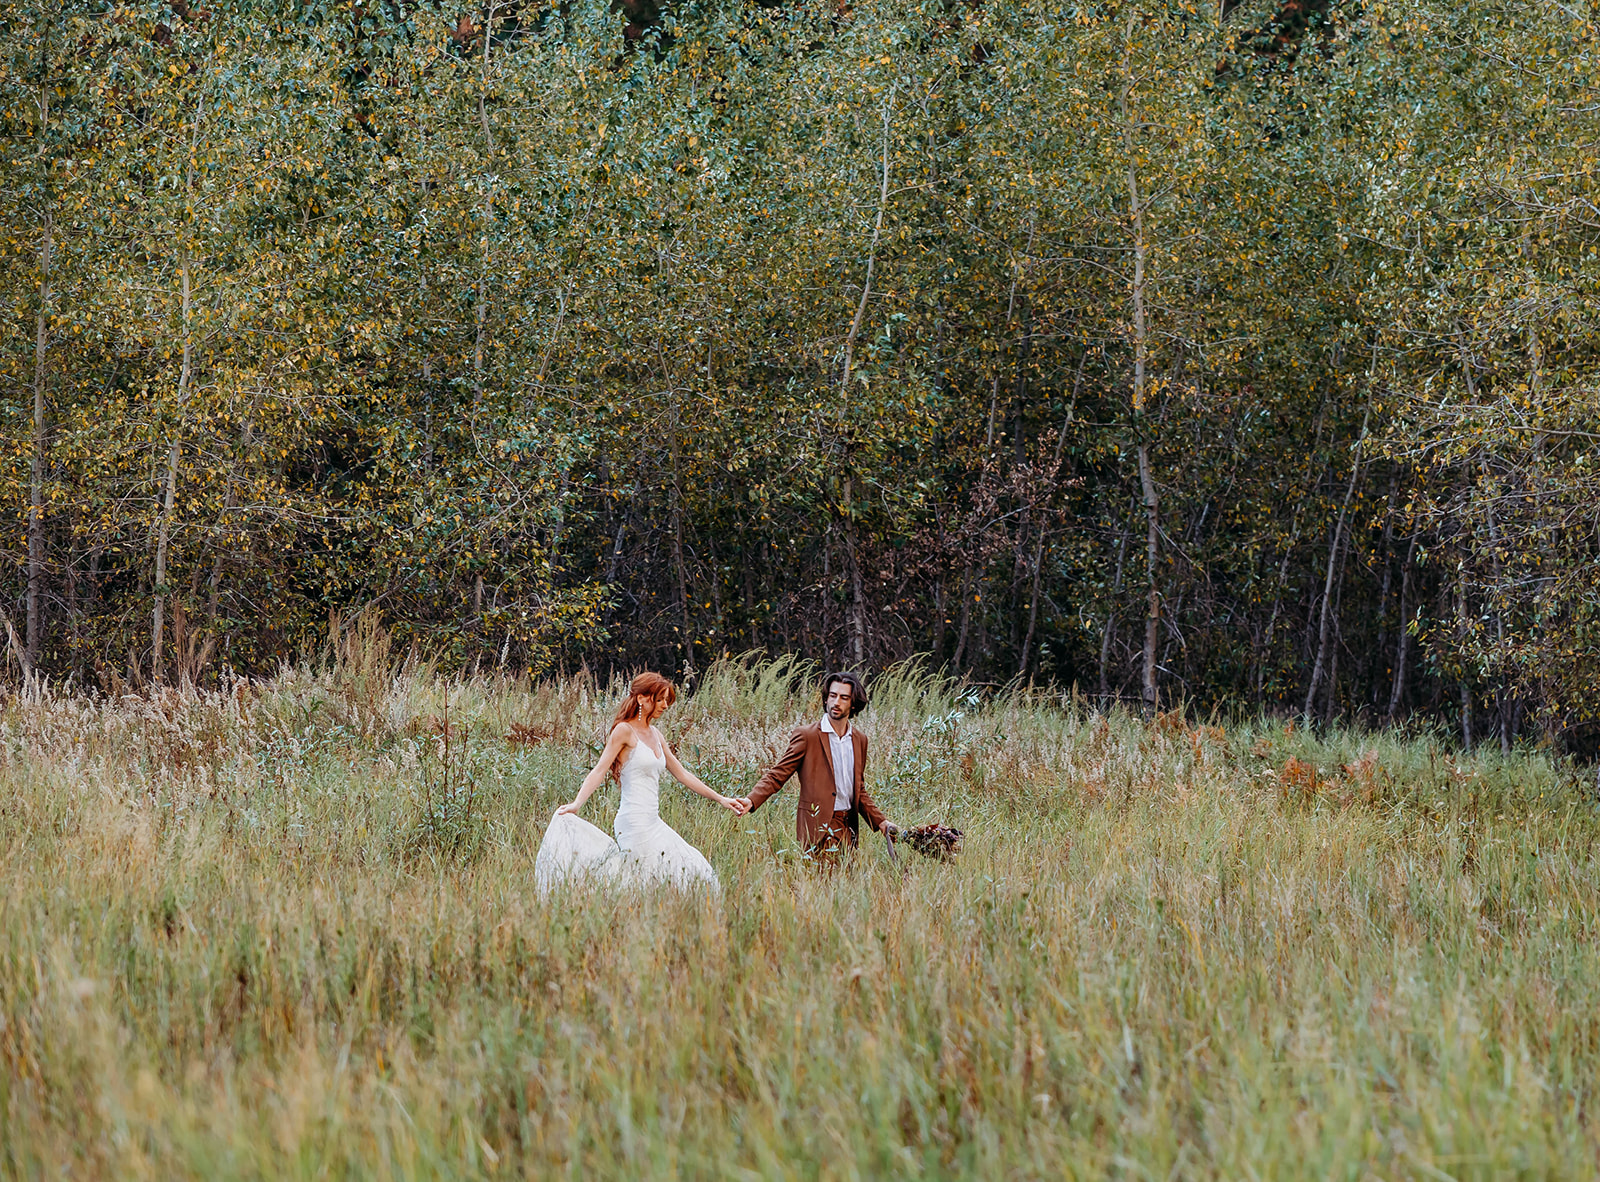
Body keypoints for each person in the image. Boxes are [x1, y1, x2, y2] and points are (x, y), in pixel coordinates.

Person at [534, 672, 744, 893]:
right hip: (633, 823)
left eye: (667, 700)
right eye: (660, 699)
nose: (665, 705)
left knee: (697, 870)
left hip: (653, 822)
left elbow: (682, 774)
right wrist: (577, 803)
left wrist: (721, 799)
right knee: (645, 881)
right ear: (642, 698)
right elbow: (599, 770)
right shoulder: (624, 731)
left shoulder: (656, 734)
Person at [735, 671, 899, 861]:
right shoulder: (807, 736)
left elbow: (858, 791)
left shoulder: (859, 740)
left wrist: (881, 822)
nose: (836, 702)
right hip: (818, 827)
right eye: (832, 695)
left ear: (853, 703)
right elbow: (778, 774)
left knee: (845, 886)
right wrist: (751, 800)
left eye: (843, 697)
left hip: (848, 829)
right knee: (820, 885)